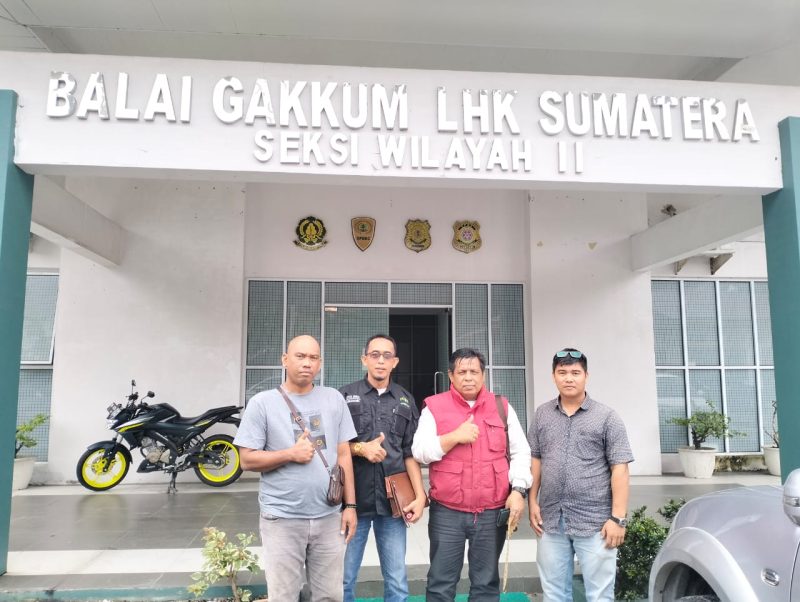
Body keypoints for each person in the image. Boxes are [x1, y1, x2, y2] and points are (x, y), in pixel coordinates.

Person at [234, 334, 357, 602]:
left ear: (320, 363)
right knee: (284, 596)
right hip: (282, 518)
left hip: (329, 517)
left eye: (313, 357)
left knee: (330, 596)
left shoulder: (334, 399)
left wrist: (350, 506)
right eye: (300, 356)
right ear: (285, 359)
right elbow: (246, 460)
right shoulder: (262, 403)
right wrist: (290, 454)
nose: (307, 363)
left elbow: (343, 454)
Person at [412, 347, 532, 602]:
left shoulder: (502, 406)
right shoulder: (434, 407)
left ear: (483, 375)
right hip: (447, 512)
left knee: (486, 585)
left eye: (474, 372)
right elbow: (420, 451)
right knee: (440, 584)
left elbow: (521, 452)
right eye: (462, 372)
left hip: (491, 512)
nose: (468, 377)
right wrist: (454, 437)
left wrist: (518, 490)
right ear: (450, 375)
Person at [527, 348, 634, 602]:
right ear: (553, 376)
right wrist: (532, 501)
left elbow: (620, 468)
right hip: (551, 520)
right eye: (562, 372)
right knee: (554, 594)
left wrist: (618, 519)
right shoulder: (542, 414)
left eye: (575, 373)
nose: (569, 378)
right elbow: (535, 459)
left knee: (599, 596)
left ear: (586, 376)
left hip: (596, 523)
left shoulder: (607, 417)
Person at [339, 334, 427, 602]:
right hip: (352, 502)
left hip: (392, 504)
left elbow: (409, 452)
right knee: (342, 579)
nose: (380, 361)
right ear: (364, 359)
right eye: (374, 355)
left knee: (397, 581)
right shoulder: (344, 396)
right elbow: (331, 446)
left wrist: (420, 496)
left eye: (386, 356)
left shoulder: (405, 399)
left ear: (395, 362)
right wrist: (360, 448)